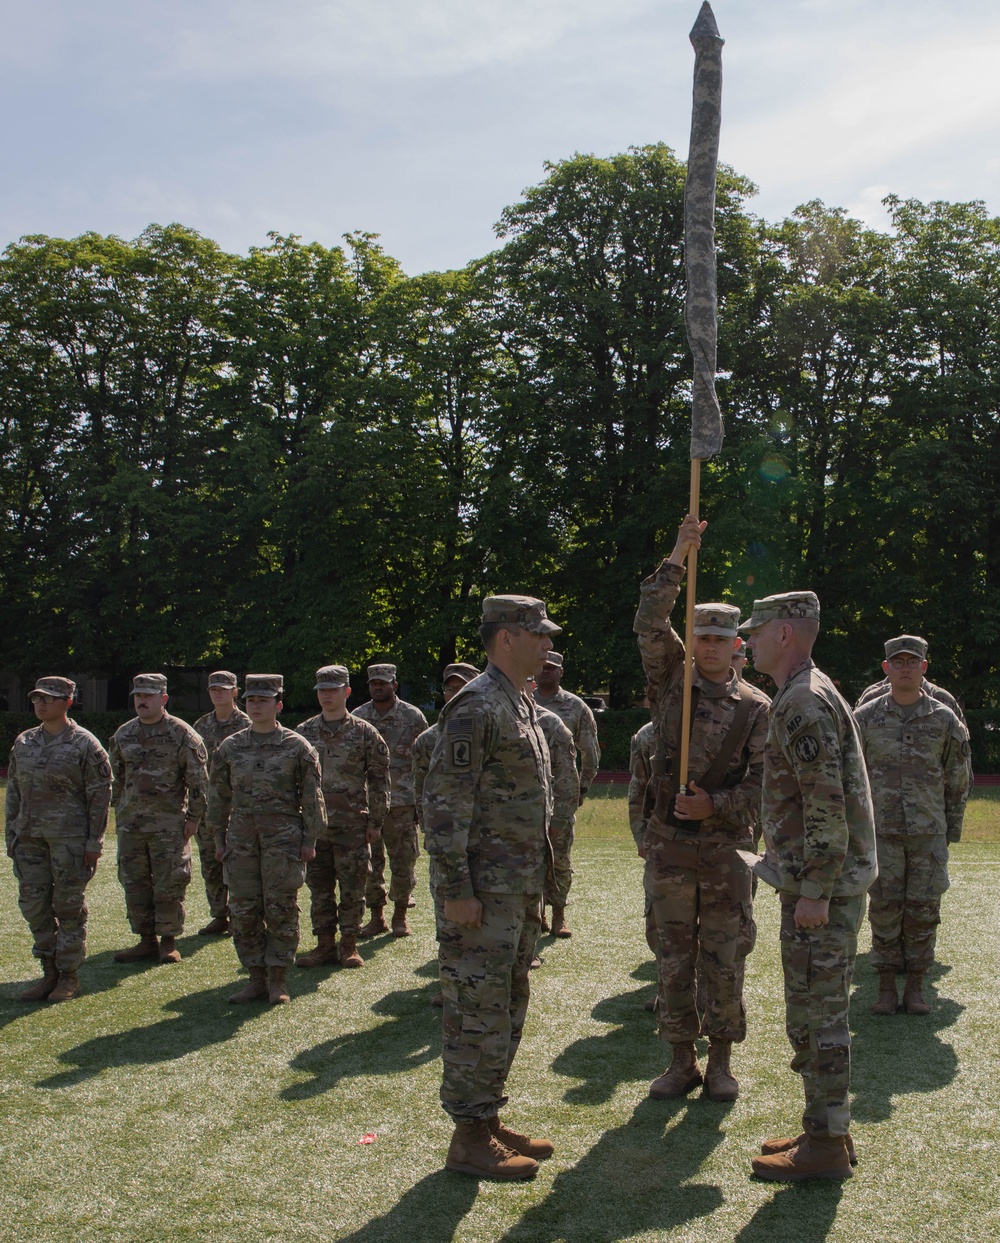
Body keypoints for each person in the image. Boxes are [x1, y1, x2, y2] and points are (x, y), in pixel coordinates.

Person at [634, 514, 770, 1103]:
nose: (710, 647)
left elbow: (767, 786)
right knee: (671, 955)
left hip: (725, 850)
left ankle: (721, 1062)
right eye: (702, 637)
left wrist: (717, 802)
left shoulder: (757, 708)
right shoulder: (671, 683)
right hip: (669, 847)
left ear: (737, 646)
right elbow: (648, 620)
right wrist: (679, 551)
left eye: (721, 640)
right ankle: (678, 1059)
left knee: (724, 954)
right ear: (691, 640)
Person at [742, 591, 877, 1181]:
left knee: (817, 1017)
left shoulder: (802, 700)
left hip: (821, 889)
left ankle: (825, 1144)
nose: (747, 640)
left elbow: (825, 801)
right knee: (817, 1011)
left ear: (787, 634)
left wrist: (816, 890)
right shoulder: (805, 692)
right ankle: (824, 1128)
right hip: (819, 883)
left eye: (756, 630)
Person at [423, 595, 559, 1181]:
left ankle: (487, 1117)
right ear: (507, 638)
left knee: (505, 1005)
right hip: (481, 893)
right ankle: (468, 1136)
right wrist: (457, 888)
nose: (548, 645)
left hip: (515, 889)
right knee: (476, 1011)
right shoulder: (476, 706)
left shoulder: (518, 702)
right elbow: (444, 805)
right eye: (539, 635)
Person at [855, 635, 970, 1015]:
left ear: (924, 667)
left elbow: (957, 778)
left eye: (912, 662)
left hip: (927, 833)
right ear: (886, 669)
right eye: (898, 662)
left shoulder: (944, 718)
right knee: (884, 908)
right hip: (881, 833)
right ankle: (887, 987)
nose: (905, 668)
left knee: (923, 909)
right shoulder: (865, 717)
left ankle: (916, 987)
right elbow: (852, 776)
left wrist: (950, 829)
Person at [208, 674, 326, 1004]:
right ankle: (255, 978)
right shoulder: (230, 747)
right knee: (244, 910)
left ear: (279, 705)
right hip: (242, 840)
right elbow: (217, 798)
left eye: (263, 700)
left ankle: (279, 979)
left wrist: (310, 839)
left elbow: (312, 798)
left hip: (284, 840)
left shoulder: (297, 746)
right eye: (251, 701)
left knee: (280, 907)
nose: (256, 706)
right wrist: (218, 839)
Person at [5, 677, 113, 1001]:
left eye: (49, 699)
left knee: (67, 907)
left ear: (68, 702)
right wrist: (12, 831)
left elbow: (100, 795)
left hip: (70, 841)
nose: (41, 704)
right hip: (29, 839)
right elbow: (13, 790)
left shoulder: (85, 744)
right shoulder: (24, 742)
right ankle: (48, 973)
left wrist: (95, 841)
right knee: (34, 906)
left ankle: (69, 976)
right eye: (37, 698)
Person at [295, 665, 389, 971]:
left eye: (333, 690)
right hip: (316, 828)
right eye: (322, 690)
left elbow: (378, 780)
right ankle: (324, 945)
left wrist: (376, 821)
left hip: (352, 826)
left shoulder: (364, 733)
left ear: (346, 692)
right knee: (319, 889)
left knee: (352, 888)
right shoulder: (303, 733)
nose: (326, 695)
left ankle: (348, 945)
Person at [109, 673, 208, 965]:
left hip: (169, 824)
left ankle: (168, 941)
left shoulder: (182, 734)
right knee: (134, 881)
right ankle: (145, 940)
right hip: (132, 825)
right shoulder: (123, 735)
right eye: (138, 696)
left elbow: (199, 783)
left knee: (170, 882)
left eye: (149, 696)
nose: (142, 700)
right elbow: (116, 779)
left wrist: (194, 819)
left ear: (163, 699)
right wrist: (118, 810)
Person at [354, 663, 428, 938]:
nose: (378, 687)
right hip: (368, 803)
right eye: (374, 683)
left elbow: (424, 762)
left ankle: (400, 915)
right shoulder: (358, 718)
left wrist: (421, 804)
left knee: (403, 861)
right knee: (371, 865)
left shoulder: (413, 717)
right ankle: (377, 916)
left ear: (394, 685)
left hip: (402, 802)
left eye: (383, 683)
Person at [532, 651, 600, 932]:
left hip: (561, 793)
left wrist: (581, 787)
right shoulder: (522, 701)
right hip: (530, 795)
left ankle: (559, 912)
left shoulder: (575, 707)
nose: (546, 671)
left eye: (552, 668)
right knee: (530, 858)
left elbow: (590, 752)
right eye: (542, 666)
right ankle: (539, 916)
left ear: (561, 671)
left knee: (559, 857)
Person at [193, 671, 251, 936]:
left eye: (224, 689)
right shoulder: (200, 726)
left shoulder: (248, 723)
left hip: (240, 806)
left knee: (240, 864)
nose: (218, 693)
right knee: (210, 862)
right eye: (214, 689)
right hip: (209, 806)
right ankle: (219, 914)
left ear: (235, 692)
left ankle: (241, 915)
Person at [528, 676, 579, 939]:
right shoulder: (500, 717)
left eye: (526, 682)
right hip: (519, 817)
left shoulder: (550, 723)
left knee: (558, 865)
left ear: (532, 686)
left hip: (552, 812)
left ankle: (558, 913)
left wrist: (560, 818)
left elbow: (567, 777)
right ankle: (538, 918)